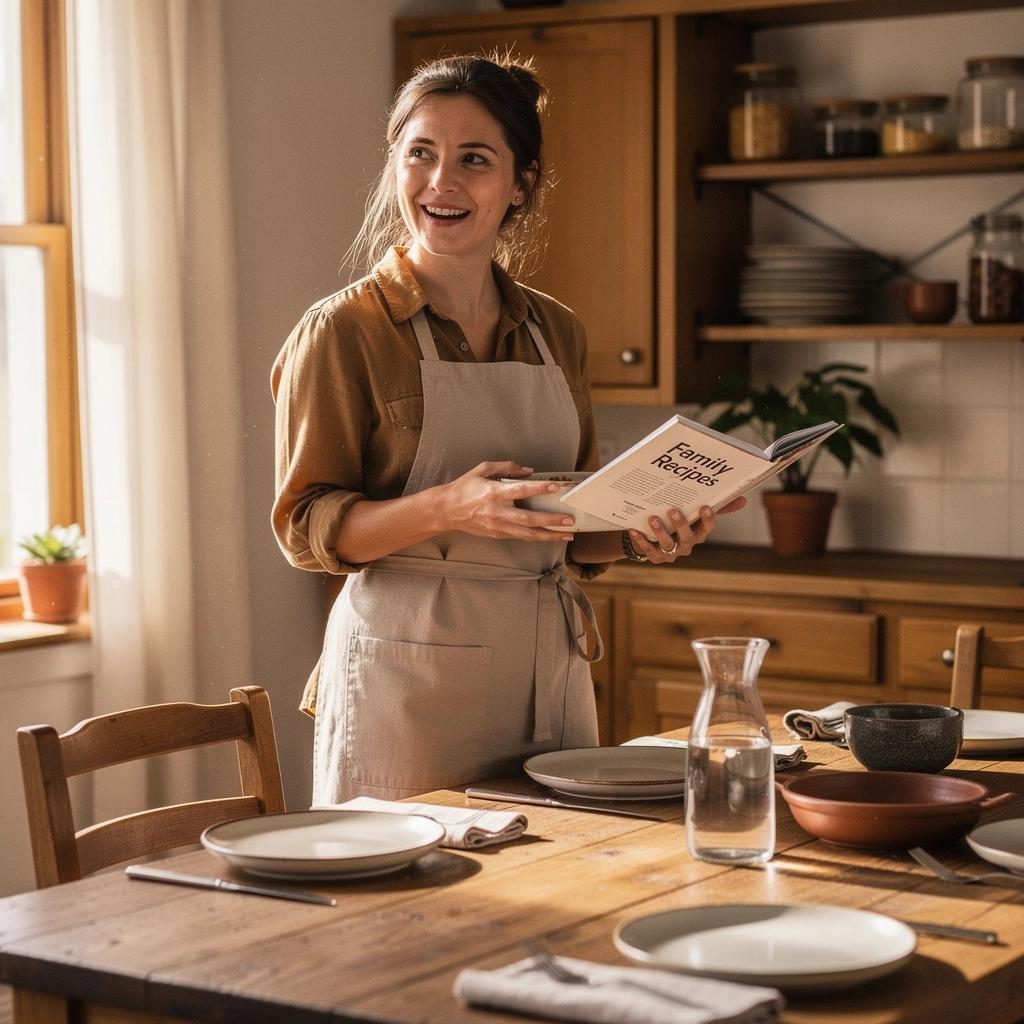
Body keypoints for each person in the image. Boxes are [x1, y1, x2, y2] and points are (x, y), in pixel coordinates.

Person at [271, 53, 744, 805]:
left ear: (521, 182)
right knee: (415, 911)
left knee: (554, 895)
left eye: (475, 160)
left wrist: (634, 533)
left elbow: (571, 523)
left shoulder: (557, 330)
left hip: (546, 672)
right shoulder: (344, 332)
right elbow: (305, 528)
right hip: (407, 682)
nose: (441, 183)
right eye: (419, 153)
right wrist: (449, 508)